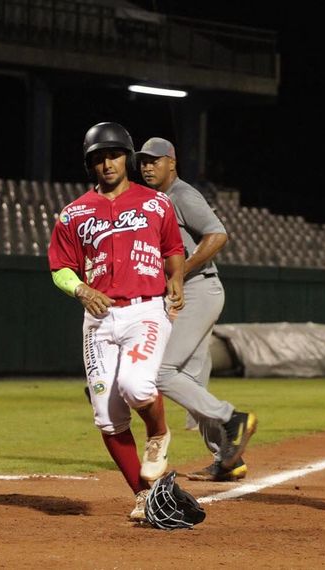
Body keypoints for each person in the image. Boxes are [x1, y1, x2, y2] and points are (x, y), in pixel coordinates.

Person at [47, 122, 185, 522]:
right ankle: (144, 496)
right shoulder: (74, 213)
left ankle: (157, 433)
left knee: (136, 385)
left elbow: (173, 248)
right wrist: (81, 290)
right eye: (98, 158)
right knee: (107, 418)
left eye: (114, 155)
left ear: (127, 158)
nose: (107, 164)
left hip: (146, 310)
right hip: (99, 318)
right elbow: (60, 268)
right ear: (89, 164)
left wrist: (176, 278)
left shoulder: (157, 203)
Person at [137, 137, 257, 483]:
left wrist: (181, 271)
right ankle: (227, 459)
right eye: (143, 161)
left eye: (155, 160)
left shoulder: (182, 195)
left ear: (172, 163)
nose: (147, 167)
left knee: (161, 372)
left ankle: (232, 418)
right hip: (189, 291)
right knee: (189, 382)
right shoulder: (155, 200)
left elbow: (217, 234)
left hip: (199, 289)